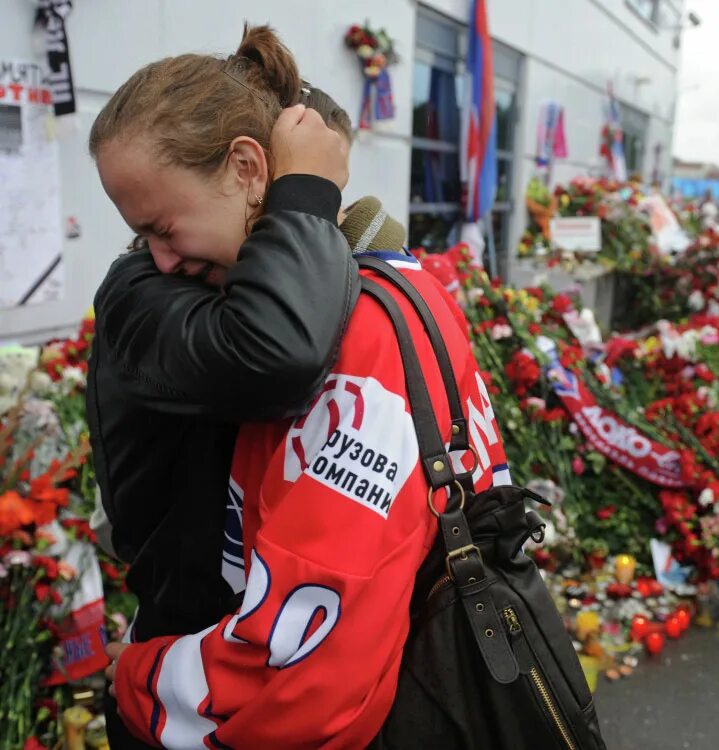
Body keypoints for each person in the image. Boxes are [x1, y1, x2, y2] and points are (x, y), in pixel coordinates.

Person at [92, 25, 513, 749]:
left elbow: (307, 662)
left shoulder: (354, 317)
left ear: (250, 168)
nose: (155, 259)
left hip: (223, 688)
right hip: (281, 663)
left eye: (163, 226)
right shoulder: (398, 280)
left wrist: (137, 680)